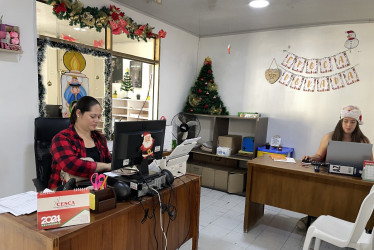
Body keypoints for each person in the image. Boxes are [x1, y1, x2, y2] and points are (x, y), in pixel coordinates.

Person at [298, 105, 371, 230]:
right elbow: (319, 155)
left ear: (357, 123)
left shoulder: (364, 141)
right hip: (330, 177)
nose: (349, 125)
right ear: (341, 121)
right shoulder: (329, 136)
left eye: (353, 122)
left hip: (353, 181)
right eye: (346, 121)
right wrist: (311, 158)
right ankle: (314, 217)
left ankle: (353, 225)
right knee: (318, 190)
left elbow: (371, 164)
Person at [48, 96, 111, 190]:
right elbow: (71, 165)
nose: (97, 120)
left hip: (95, 189)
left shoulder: (99, 138)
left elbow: (109, 162)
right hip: (63, 193)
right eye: (92, 116)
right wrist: (104, 166)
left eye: (99, 117)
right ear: (78, 113)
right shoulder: (61, 138)